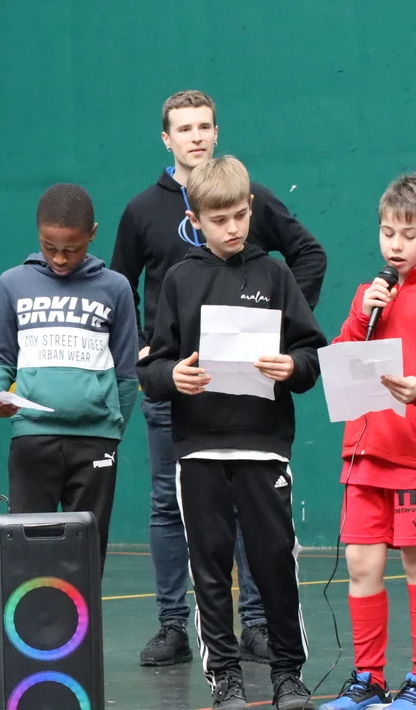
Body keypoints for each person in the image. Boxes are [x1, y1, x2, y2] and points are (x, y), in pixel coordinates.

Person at [111, 89, 327, 666]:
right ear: (166, 138)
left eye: (205, 126)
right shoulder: (142, 211)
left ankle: (255, 623)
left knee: (250, 511)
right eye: (184, 128)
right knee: (169, 504)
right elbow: (117, 286)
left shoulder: (250, 196)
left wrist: (282, 328)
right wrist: (148, 354)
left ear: (216, 131)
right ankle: (172, 625)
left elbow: (309, 255)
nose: (196, 136)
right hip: (180, 385)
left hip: (253, 396)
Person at [319, 173, 416, 710]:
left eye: (409, 235)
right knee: (362, 567)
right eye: (388, 232)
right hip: (363, 453)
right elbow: (341, 355)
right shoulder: (369, 295)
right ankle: (369, 681)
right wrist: (362, 313)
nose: (396, 245)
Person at [0, 183, 139, 573]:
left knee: (85, 557)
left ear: (92, 234)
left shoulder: (116, 287)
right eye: (49, 247)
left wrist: (111, 429)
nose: (60, 258)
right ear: (38, 234)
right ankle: (34, 617)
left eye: (72, 248)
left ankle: (81, 619)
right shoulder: (12, 283)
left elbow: (126, 372)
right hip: (32, 440)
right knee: (29, 555)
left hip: (96, 442)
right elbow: (1, 359)